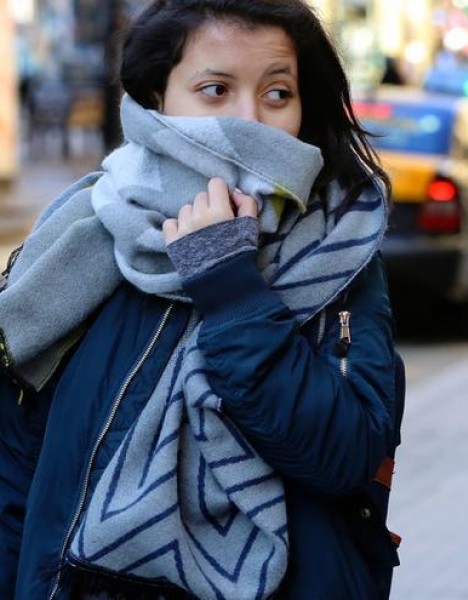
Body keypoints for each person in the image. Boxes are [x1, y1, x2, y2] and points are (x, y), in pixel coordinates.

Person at [0, 1, 403, 598]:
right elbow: (14, 462)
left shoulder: (339, 253)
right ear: (157, 100)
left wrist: (228, 282)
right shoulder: (84, 234)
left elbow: (342, 456)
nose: (250, 122)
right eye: (215, 90)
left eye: (276, 93)